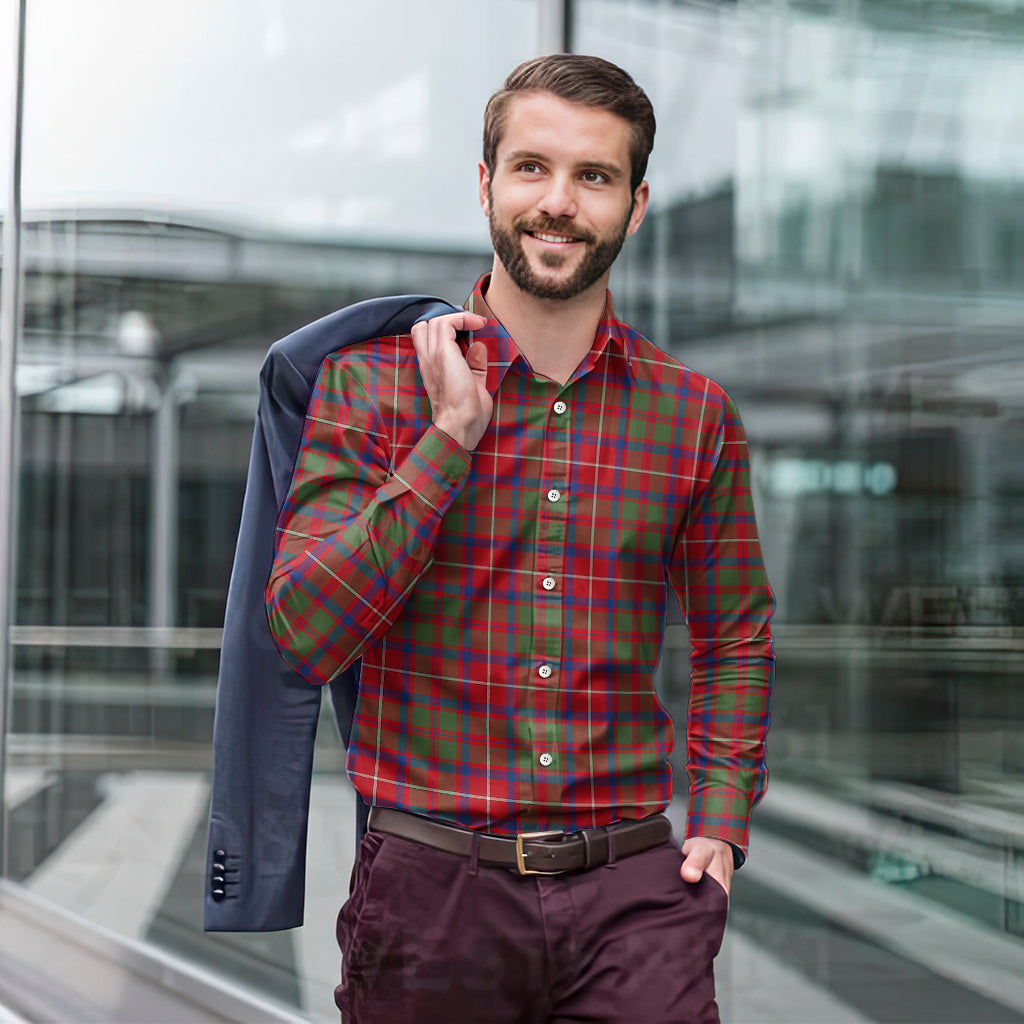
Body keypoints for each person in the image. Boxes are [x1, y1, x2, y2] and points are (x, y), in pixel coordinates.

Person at [265, 53, 774, 1024]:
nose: (559, 202)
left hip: (634, 896)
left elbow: (734, 633)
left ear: (636, 202)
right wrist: (448, 440)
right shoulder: (370, 389)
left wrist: (718, 820)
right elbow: (302, 634)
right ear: (487, 182)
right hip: (431, 895)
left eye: (595, 176)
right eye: (532, 167)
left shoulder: (693, 415)